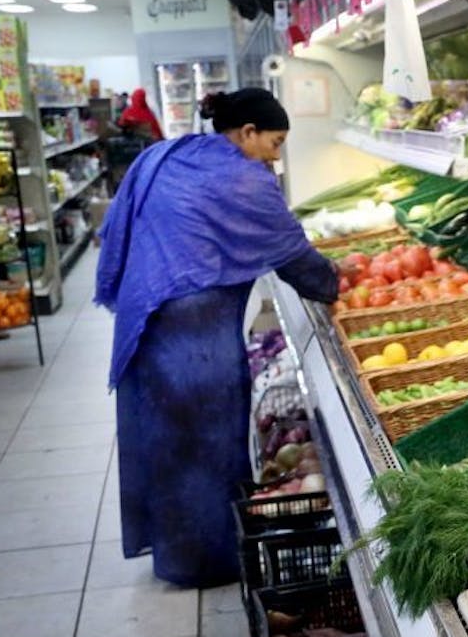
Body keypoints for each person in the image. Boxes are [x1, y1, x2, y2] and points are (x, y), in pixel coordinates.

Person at [95, 88, 338, 588]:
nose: (275, 156)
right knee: (207, 443)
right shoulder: (243, 179)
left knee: (166, 440)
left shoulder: (173, 154)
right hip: (195, 329)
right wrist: (336, 284)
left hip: (149, 316)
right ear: (247, 132)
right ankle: (208, 560)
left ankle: (176, 553)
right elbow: (293, 256)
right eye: (274, 143)